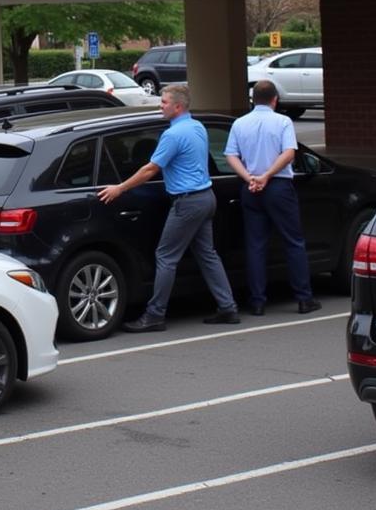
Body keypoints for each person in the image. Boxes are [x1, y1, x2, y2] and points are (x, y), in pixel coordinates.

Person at [98, 83, 239, 332]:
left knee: (166, 256)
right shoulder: (197, 127)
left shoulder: (172, 135)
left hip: (187, 202)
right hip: (206, 198)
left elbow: (150, 169)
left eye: (163, 103)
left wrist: (120, 188)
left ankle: (155, 314)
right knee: (207, 255)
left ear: (178, 106)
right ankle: (228, 308)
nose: (160, 106)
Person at [224, 79, 321, 316]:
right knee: (293, 242)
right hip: (278, 186)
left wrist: (250, 178)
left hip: (251, 188)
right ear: (275, 100)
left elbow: (230, 155)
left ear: (253, 99)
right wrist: (267, 175)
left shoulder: (240, 123)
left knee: (256, 245)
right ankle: (303, 298)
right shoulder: (282, 121)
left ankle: (257, 301)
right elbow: (289, 153)